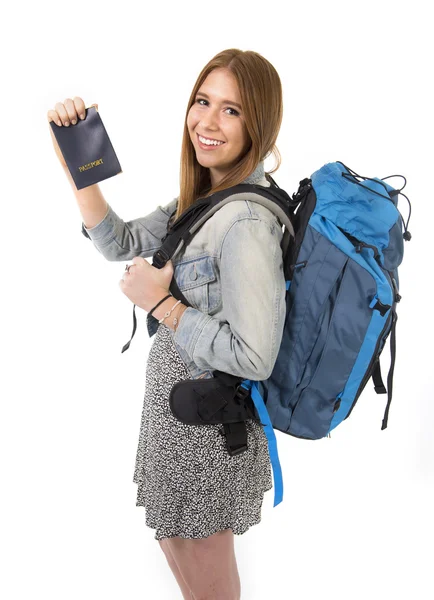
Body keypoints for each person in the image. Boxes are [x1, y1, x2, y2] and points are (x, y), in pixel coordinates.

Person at [47, 48, 286, 600]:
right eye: (203, 101)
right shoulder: (204, 197)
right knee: (189, 574)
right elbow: (121, 243)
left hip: (208, 431)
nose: (207, 121)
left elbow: (255, 357)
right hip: (178, 423)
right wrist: (78, 159)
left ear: (260, 125)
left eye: (232, 110)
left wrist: (163, 305)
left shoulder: (246, 220)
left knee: (209, 589)